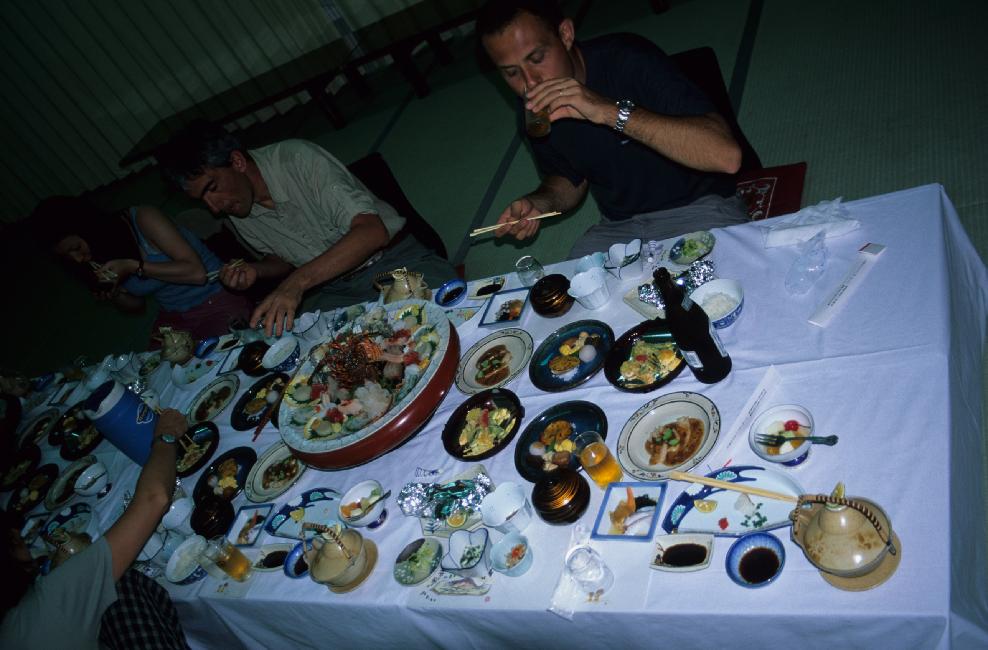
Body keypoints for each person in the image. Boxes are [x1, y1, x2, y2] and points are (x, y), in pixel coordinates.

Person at [478, 0, 749, 258]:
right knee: (572, 295)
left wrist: (606, 111)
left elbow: (727, 157)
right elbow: (568, 178)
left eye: (536, 58)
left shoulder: (628, 59)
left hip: (700, 209)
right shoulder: (530, 108)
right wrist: (538, 204)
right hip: (619, 228)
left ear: (566, 33)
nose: (530, 82)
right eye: (512, 73)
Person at [156, 122, 457, 336]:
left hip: (394, 264)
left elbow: (371, 232)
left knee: (441, 326)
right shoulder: (237, 204)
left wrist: (296, 284)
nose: (214, 207)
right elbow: (282, 260)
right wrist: (256, 270)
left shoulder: (297, 158)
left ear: (236, 161)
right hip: (335, 290)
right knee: (322, 358)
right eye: (203, 199)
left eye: (213, 188)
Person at [0, 409, 190, 649]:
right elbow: (155, 498)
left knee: (118, 586)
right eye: (14, 538)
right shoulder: (42, 609)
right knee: (123, 581)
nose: (20, 535)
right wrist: (166, 435)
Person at [36, 197, 251, 346]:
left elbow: (197, 274)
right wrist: (116, 293)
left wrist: (133, 267)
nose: (78, 258)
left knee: (214, 357)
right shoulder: (96, 255)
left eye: (76, 248)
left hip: (216, 295)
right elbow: (136, 306)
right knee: (158, 373)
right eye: (68, 257)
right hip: (175, 314)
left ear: (87, 228)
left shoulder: (142, 218)